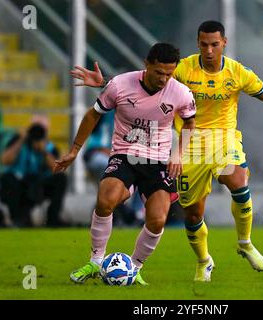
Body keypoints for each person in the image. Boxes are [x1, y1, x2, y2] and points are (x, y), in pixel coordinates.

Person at [70, 21, 263, 282]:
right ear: (198, 44)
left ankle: (245, 242)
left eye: (214, 44)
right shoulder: (183, 69)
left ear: (224, 42)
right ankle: (203, 261)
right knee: (192, 214)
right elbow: (144, 79)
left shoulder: (237, 73)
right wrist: (106, 82)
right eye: (203, 44)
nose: (209, 51)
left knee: (237, 179)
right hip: (189, 145)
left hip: (224, 141)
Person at [56, 43, 196, 285]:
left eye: (169, 74)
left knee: (158, 218)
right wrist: (74, 150)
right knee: (106, 199)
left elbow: (190, 124)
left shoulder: (181, 93)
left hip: (159, 161)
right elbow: (93, 115)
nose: (164, 79)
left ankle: (135, 267)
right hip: (125, 155)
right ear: (147, 64)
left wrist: (178, 154)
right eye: (159, 72)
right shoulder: (120, 85)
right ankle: (96, 261)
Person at [0, 120, 68, 227]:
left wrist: (44, 151)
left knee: (61, 179)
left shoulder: (48, 147)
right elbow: (4, 160)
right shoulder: (18, 143)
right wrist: (21, 140)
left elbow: (56, 169)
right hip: (18, 183)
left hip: (38, 184)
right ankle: (18, 219)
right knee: (9, 179)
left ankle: (53, 219)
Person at [84, 109, 145, 226]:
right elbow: (96, 145)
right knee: (108, 170)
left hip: (121, 157)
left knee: (144, 171)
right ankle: (126, 213)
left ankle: (136, 213)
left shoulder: (136, 116)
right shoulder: (105, 113)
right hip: (98, 155)